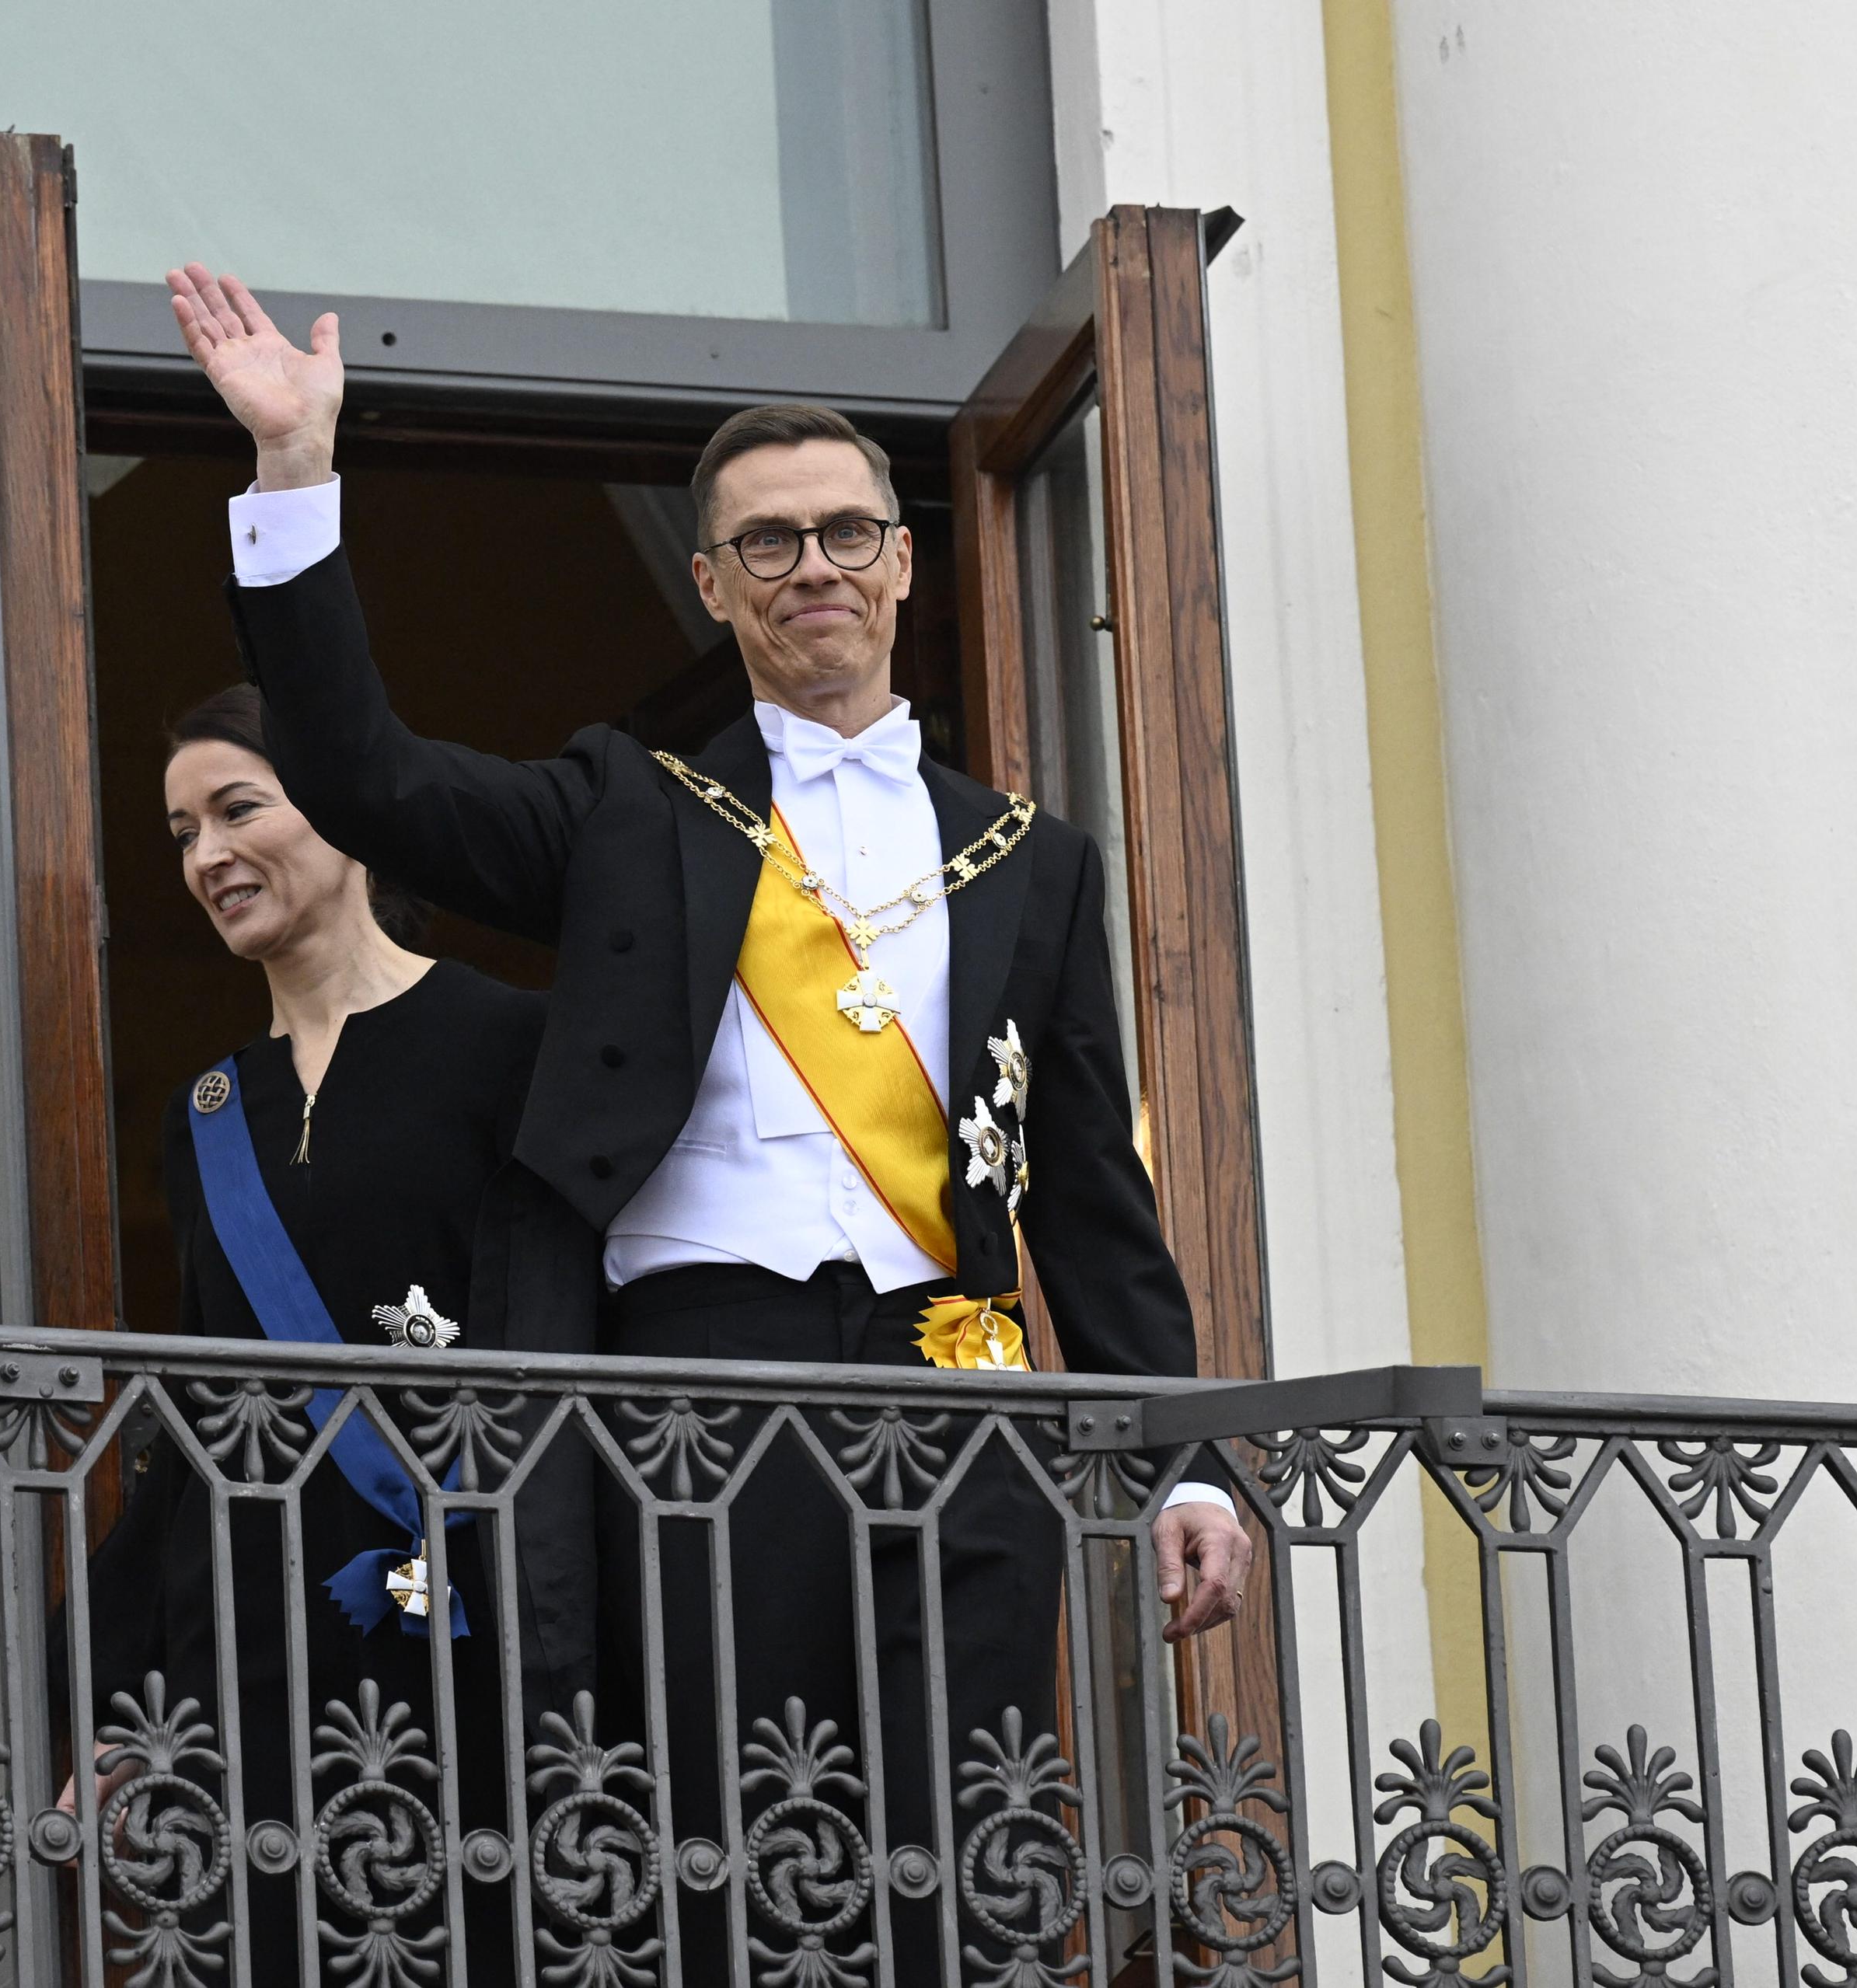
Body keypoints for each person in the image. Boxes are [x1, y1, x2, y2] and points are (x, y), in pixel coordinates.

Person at [162, 263, 1257, 1970]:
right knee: (733, 1865)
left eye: (844, 531)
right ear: (710, 582)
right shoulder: (629, 807)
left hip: (952, 1388)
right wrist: (294, 474)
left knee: (962, 1860)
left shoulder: (1033, 860)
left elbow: (1086, 1187)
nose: (812, 564)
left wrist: (1190, 1451)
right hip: (693, 1401)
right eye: (766, 540)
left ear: (902, 558)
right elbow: (369, 775)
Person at [65, 685, 557, 1983]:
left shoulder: (510, 1043)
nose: (206, 855)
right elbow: (195, 1415)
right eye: (181, 833)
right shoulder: (211, 1106)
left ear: (344, 802)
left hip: (472, 1620)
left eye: (239, 808)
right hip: (266, 1635)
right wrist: (113, 1698)